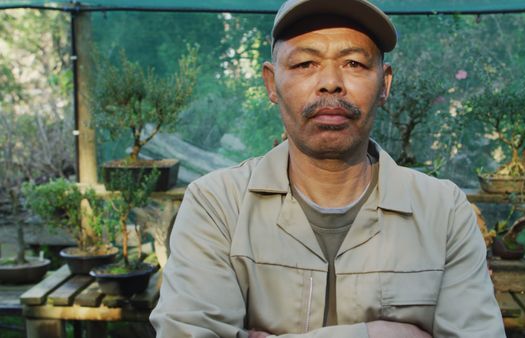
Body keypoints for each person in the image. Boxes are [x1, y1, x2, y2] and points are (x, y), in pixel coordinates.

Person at [150, 0, 506, 337]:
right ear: (272, 83)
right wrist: (375, 333)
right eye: (306, 64)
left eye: (354, 63)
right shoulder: (217, 206)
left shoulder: (443, 212)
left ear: (384, 84)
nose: (331, 81)